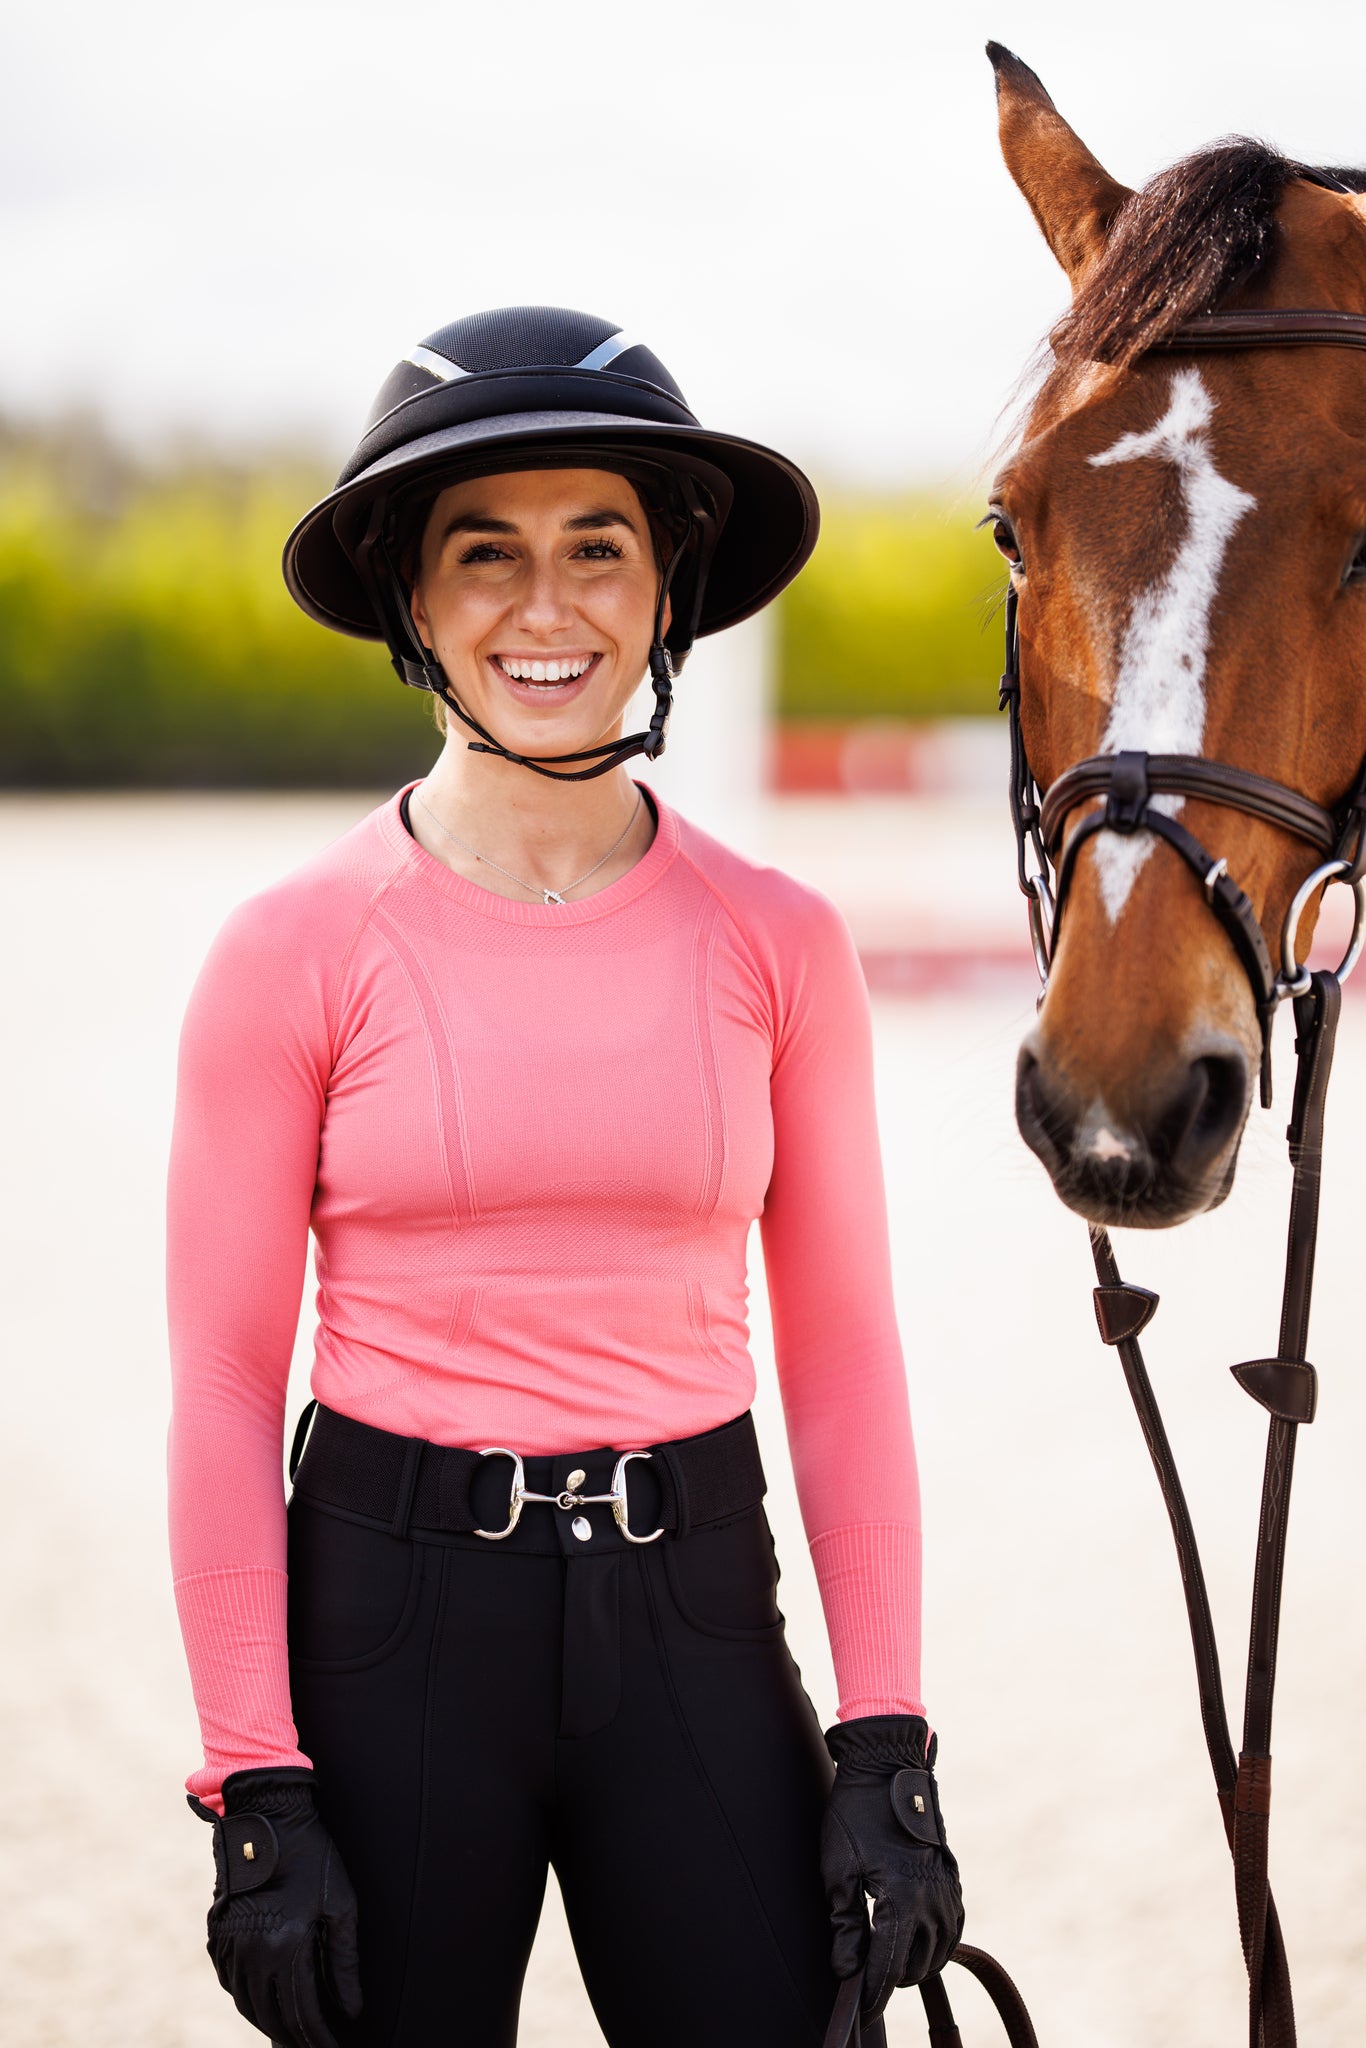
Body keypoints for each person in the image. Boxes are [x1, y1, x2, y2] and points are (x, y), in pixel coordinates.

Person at [167, 306, 963, 2048]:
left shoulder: (781, 943)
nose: (548, 609)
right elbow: (227, 1384)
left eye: (599, 549)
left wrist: (885, 1739)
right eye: (486, 555)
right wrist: (255, 1783)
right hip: (388, 1625)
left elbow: (840, 1358)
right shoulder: (289, 952)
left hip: (691, 1610)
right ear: (411, 599)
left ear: (669, 585)